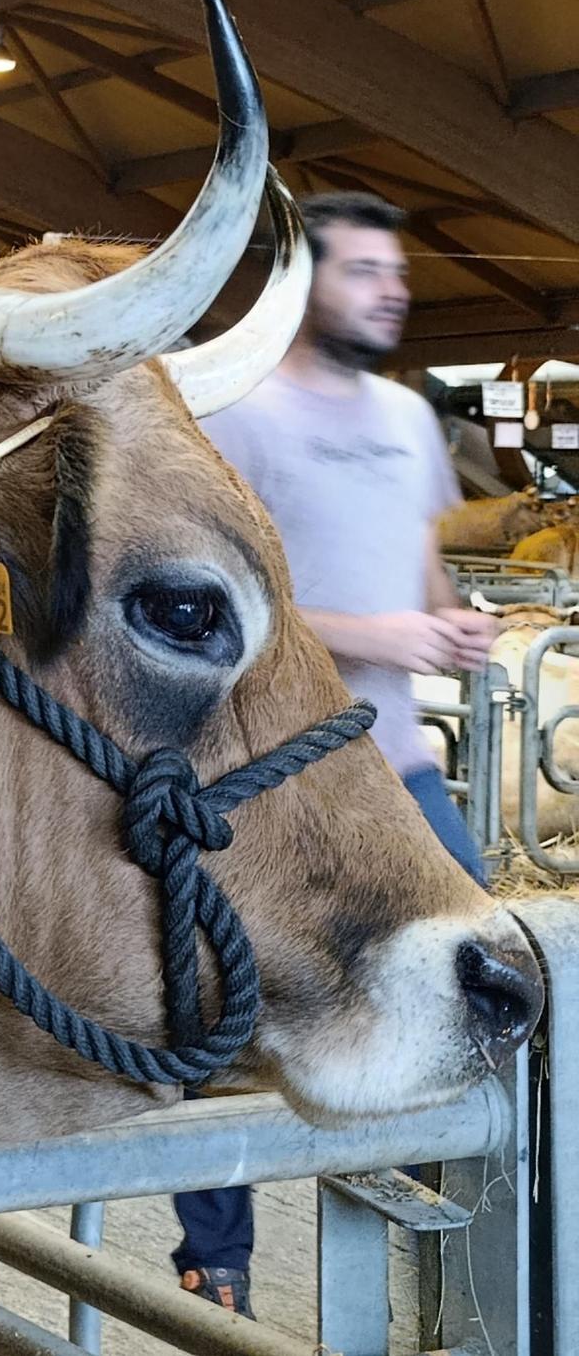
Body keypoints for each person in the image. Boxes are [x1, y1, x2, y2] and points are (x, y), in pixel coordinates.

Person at [170, 191, 500, 1319]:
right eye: (363, 271)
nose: (391, 289)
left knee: (497, 991)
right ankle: (213, 1266)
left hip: (397, 770)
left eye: (392, 271)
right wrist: (378, 636)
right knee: (216, 1017)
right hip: (267, 775)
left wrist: (449, 624)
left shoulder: (409, 423)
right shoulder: (237, 417)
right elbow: (214, 608)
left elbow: (413, 571)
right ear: (303, 288)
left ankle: (467, 1267)